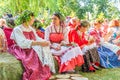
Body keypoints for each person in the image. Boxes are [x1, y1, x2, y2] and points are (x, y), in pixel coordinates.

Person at [9, 10, 55, 80]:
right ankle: (35, 72)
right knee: (35, 52)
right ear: (26, 19)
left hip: (32, 46)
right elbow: (22, 43)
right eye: (31, 19)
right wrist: (39, 43)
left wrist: (45, 41)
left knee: (42, 49)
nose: (33, 21)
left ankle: (42, 72)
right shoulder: (17, 29)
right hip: (23, 48)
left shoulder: (30, 28)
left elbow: (36, 38)